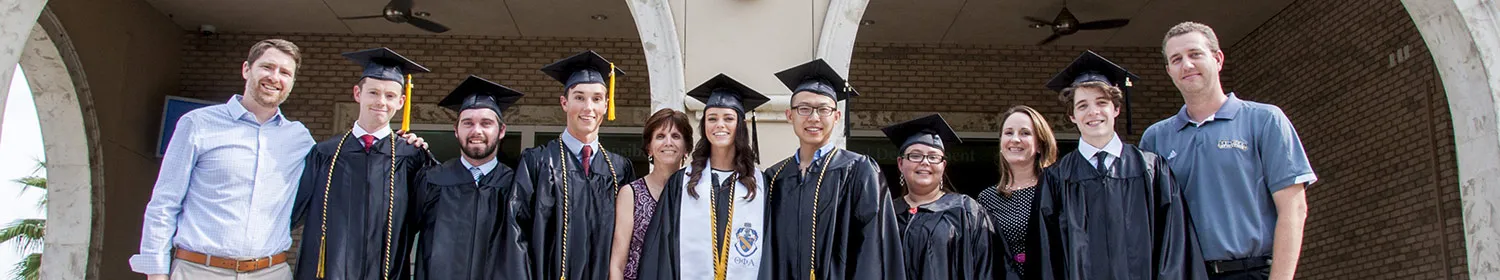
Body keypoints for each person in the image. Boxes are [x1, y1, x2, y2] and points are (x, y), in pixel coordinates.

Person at [1141, 22, 1316, 280]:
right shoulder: (1155, 138)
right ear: (1169, 71)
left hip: (1250, 271)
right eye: (1176, 59)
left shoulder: (1264, 120)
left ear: (1218, 59)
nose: (1186, 65)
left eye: (1195, 54)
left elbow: (1294, 208)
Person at [131, 39, 309, 280]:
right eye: (267, 67)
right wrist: (156, 272)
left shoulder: (299, 139)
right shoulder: (197, 124)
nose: (274, 77)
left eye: (285, 72)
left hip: (270, 273)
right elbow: (165, 202)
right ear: (246, 69)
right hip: (199, 271)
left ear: (292, 82)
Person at [1029, 50, 1207, 279]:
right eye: (1082, 105)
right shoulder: (1055, 179)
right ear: (1072, 115)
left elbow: (1175, 248)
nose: (1093, 112)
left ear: (1116, 109)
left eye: (1101, 102)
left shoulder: (1152, 170)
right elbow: (1046, 259)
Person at [289, 47, 436, 280]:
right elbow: (292, 211)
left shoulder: (412, 156)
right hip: (331, 272)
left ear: (401, 101)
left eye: (389, 95)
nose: (381, 101)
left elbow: (432, 213)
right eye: (373, 92)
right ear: (357, 93)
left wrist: (426, 155)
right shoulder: (324, 153)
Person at [762, 59, 905, 280]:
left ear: (837, 117)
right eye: (804, 109)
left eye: (823, 109)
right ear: (790, 116)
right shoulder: (774, 178)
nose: (814, 117)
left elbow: (872, 248)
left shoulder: (859, 171)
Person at [516, 50, 637, 280]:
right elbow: (516, 234)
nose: (588, 107)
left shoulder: (619, 170)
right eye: (579, 97)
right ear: (564, 102)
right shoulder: (537, 162)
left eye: (596, 99)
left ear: (606, 105)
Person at [637, 74, 772, 280]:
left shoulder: (760, 185)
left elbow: (770, 254)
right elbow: (661, 253)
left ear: (741, 124)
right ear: (704, 126)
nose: (719, 125)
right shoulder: (681, 183)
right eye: (712, 118)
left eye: (728, 118)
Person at [406, 75, 528, 279]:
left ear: (501, 131)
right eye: (468, 123)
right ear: (456, 130)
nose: (476, 131)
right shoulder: (432, 180)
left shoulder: (517, 186)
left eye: (486, 123)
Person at [883, 114, 1008, 280]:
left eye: (933, 157)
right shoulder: (886, 215)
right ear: (900, 163)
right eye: (915, 155)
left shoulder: (966, 211)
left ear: (943, 165)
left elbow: (986, 269)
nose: (925, 162)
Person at [609, 108, 693, 280]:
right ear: (649, 148)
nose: (668, 142)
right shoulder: (630, 194)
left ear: (686, 148)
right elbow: (618, 263)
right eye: (660, 136)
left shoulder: (695, 194)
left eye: (676, 136)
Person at [974, 105, 1057, 278]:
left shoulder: (1055, 191)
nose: (1015, 139)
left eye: (1025, 133)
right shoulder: (987, 199)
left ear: (1040, 144)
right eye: (1009, 133)